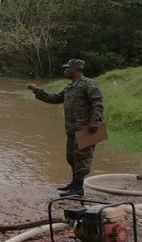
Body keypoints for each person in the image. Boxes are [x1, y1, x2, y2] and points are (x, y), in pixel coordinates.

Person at [27, 59, 105, 197]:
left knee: (82, 159)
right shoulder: (70, 87)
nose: (65, 71)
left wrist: (96, 122)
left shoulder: (89, 84)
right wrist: (37, 91)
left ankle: (78, 189)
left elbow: (98, 102)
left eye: (67, 68)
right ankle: (73, 185)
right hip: (72, 129)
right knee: (72, 158)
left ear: (74, 69)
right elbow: (55, 98)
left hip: (86, 129)